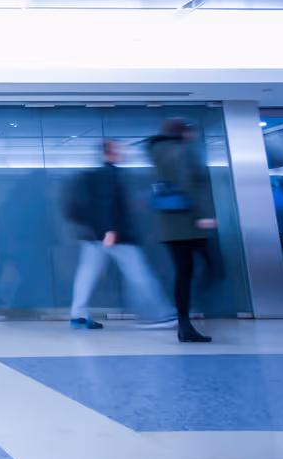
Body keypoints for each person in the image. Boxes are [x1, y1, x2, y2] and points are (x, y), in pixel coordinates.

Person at [67, 139, 177, 330]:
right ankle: (155, 315)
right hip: (114, 235)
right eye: (119, 148)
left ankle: (78, 315)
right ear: (108, 152)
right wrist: (110, 230)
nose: (123, 151)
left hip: (94, 236)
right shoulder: (110, 174)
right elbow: (105, 203)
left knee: (87, 274)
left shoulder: (98, 175)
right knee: (138, 273)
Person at [146, 118, 216, 343]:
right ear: (183, 133)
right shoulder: (183, 152)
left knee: (184, 272)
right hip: (188, 221)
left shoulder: (158, 152)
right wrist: (203, 215)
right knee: (195, 270)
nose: (193, 136)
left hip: (169, 222)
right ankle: (186, 325)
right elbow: (189, 184)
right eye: (191, 132)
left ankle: (184, 323)